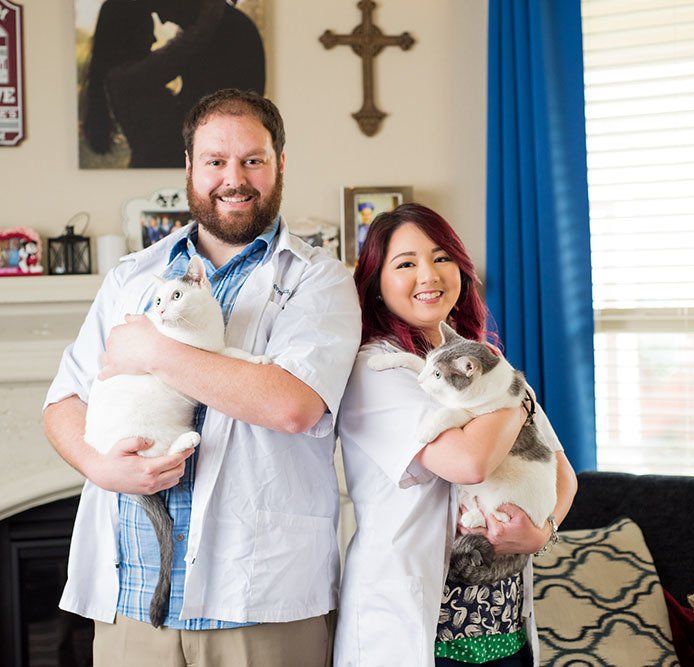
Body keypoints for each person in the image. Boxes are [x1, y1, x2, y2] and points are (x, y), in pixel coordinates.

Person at [44, 89, 360, 666]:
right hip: (133, 601)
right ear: (189, 167)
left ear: (280, 164)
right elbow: (64, 400)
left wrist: (152, 350)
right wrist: (98, 466)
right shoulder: (132, 277)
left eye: (253, 160)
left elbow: (293, 404)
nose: (232, 178)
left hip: (260, 602)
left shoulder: (321, 279)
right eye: (215, 161)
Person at [334, 203, 578, 667]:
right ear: (377, 285)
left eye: (442, 257)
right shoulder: (375, 368)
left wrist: (542, 533)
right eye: (405, 264)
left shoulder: (479, 358)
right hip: (421, 632)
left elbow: (564, 471)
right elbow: (469, 462)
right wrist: (514, 397)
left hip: (504, 626)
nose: (428, 274)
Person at [83, 0, 265, 168]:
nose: (154, 39)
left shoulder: (121, 77)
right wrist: (212, 11)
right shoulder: (125, 78)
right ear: (131, 35)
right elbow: (184, 49)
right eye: (149, 31)